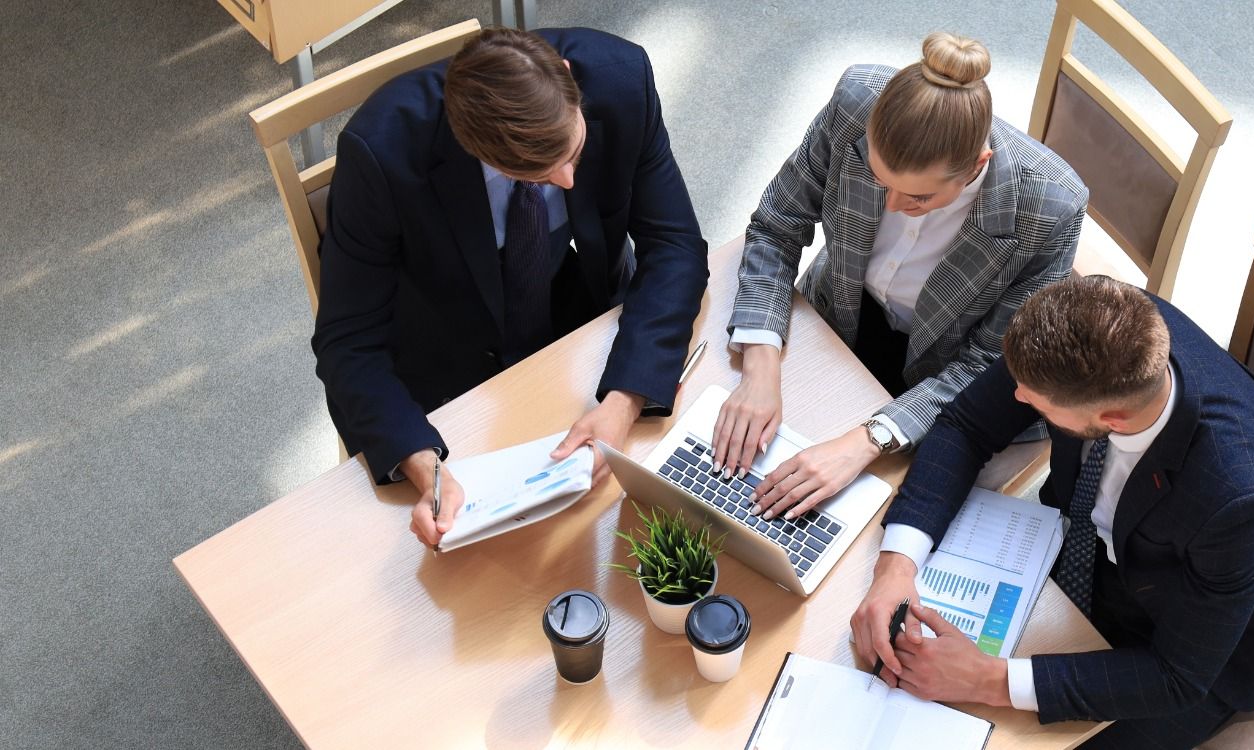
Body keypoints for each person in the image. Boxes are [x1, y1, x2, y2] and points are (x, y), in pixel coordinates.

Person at [851, 276, 1254, 749]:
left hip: (1198, 643)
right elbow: (967, 423)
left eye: (1035, 401)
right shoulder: (1107, 323)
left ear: (1111, 420)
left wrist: (987, 680)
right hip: (1090, 550)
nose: (1016, 397)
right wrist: (896, 567)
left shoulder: (1237, 500)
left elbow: (1177, 676)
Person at [311, 28, 708, 548]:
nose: (567, 180)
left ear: (566, 78)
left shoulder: (622, 80)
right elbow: (347, 340)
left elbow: (675, 245)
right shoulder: (379, 152)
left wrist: (624, 400)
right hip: (450, 374)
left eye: (573, 150)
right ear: (471, 146)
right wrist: (425, 468)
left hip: (582, 330)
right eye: (538, 174)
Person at [715, 33, 1088, 520]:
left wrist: (866, 441)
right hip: (840, 312)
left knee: (878, 523)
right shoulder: (855, 102)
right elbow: (776, 225)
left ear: (977, 165)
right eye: (879, 179)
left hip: (951, 377)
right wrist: (760, 368)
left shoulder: (1051, 208)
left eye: (919, 198)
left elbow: (988, 367)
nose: (892, 205)